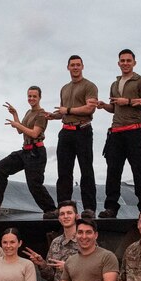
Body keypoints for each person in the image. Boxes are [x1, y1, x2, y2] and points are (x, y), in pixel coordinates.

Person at [0, 87, 57, 217]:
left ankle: (51, 210)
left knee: (34, 185)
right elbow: (20, 131)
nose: (31, 99)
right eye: (29, 96)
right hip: (25, 151)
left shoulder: (41, 114)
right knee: (1, 167)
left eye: (34, 96)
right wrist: (15, 114)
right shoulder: (29, 112)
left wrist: (17, 125)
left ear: (39, 98)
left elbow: (34, 133)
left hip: (36, 152)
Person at [96, 49, 141, 218]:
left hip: (134, 131)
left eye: (129, 60)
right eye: (122, 60)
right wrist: (103, 105)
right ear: (118, 63)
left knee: (139, 169)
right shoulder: (115, 84)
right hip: (116, 133)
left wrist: (127, 101)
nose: (125, 63)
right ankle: (111, 207)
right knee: (113, 171)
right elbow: (114, 108)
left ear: (134, 62)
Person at [47, 55, 99, 218]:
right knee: (63, 172)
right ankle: (63, 207)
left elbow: (89, 109)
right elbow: (64, 112)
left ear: (82, 66)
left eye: (78, 65)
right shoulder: (64, 88)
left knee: (86, 170)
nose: (75, 67)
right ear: (68, 67)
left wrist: (67, 110)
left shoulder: (89, 86)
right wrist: (53, 115)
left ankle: (89, 208)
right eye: (72, 65)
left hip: (82, 130)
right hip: (66, 132)